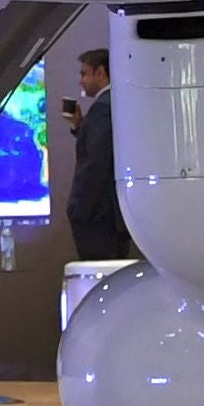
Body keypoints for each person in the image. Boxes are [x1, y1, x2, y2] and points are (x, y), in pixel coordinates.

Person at [62, 48, 134, 260]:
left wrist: (78, 209)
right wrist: (79, 127)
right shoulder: (115, 103)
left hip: (99, 216)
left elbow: (96, 163)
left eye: (84, 73)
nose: (80, 81)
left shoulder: (103, 108)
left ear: (100, 73)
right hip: (111, 215)